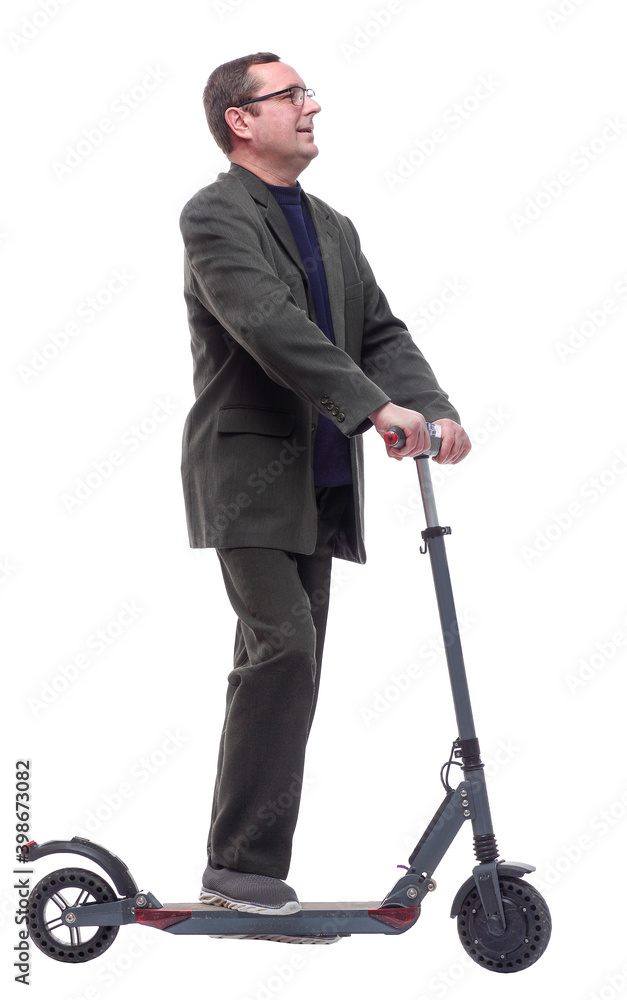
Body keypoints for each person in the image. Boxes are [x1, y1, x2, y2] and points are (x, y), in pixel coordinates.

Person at [179, 52, 471, 918]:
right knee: (284, 649)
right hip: (247, 479)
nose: (311, 107)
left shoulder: (333, 226)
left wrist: (432, 409)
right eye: (291, 95)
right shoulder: (215, 216)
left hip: (319, 481)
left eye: (307, 93)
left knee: (290, 662)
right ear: (240, 120)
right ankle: (237, 867)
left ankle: (245, 868)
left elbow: (378, 332)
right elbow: (266, 324)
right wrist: (373, 407)